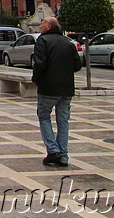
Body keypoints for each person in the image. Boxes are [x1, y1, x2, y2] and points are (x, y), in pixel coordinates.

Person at [31, 16, 82, 168]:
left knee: (44, 116)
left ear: (49, 26)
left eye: (43, 23)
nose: (40, 25)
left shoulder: (42, 41)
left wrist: (36, 78)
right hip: (67, 88)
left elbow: (40, 63)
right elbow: (77, 65)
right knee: (63, 121)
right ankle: (63, 156)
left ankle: (53, 150)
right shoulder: (68, 42)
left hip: (48, 87)